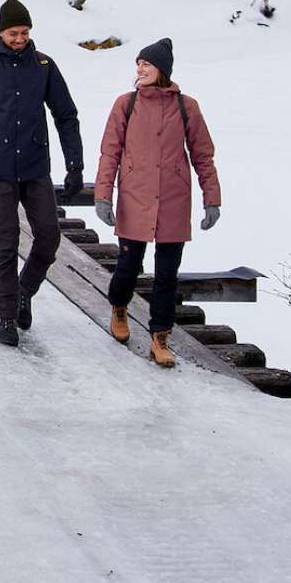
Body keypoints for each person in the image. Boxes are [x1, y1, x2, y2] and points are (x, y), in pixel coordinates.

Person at [0, 0, 84, 347]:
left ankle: (25, 290)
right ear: (1, 32)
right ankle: (7, 317)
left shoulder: (43, 66)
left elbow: (66, 116)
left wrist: (75, 166)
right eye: (14, 33)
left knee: (49, 237)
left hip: (35, 167)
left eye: (25, 32)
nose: (20, 39)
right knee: (6, 242)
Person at [92, 37, 221, 369]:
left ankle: (159, 337)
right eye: (138, 63)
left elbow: (203, 156)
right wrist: (103, 195)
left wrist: (212, 199)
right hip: (135, 197)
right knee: (128, 266)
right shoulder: (126, 104)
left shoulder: (186, 107)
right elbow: (110, 153)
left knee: (167, 275)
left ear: (162, 69)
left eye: (146, 64)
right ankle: (119, 307)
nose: (140, 69)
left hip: (173, 201)